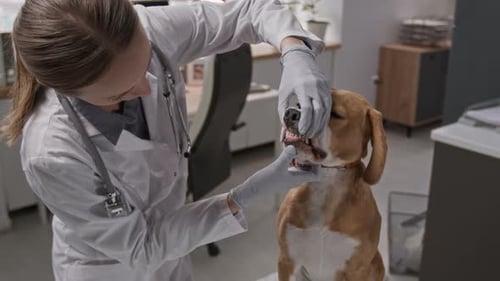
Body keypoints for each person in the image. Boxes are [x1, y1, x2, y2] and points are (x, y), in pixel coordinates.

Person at [0, 0, 331, 280]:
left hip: (175, 253)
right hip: (112, 268)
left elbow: (248, 9)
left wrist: (295, 53)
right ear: (70, 92)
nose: (146, 89)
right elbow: (141, 248)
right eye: (121, 92)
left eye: (146, 66)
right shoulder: (52, 152)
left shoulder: (145, 29)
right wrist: (247, 193)